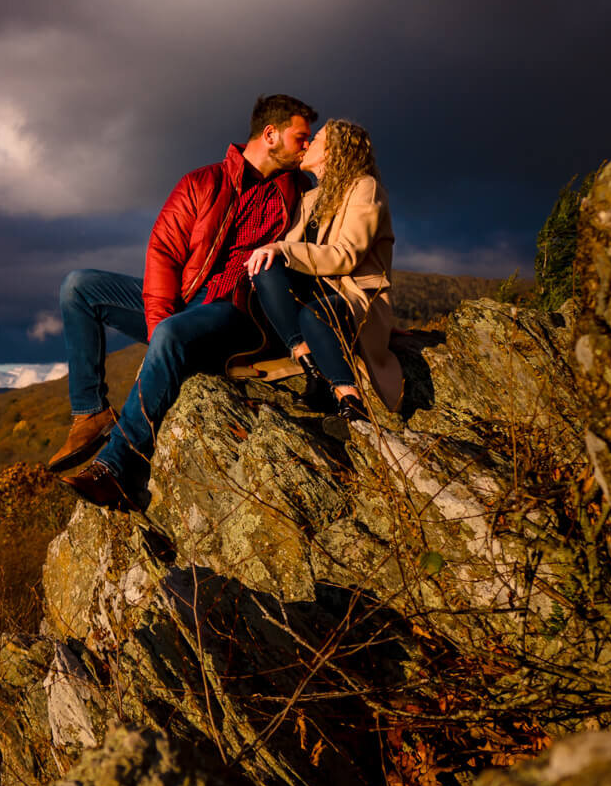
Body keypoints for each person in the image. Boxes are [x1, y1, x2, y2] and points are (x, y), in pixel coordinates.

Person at [53, 95, 315, 507]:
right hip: (187, 304)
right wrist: (161, 330)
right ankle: (90, 412)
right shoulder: (201, 182)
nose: (307, 145)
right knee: (78, 286)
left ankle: (116, 468)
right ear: (270, 134)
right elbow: (163, 255)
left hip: (242, 314)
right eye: (301, 137)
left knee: (174, 331)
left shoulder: (299, 190)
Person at [244, 119, 401, 422]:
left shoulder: (364, 188)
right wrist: (272, 253)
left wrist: (282, 248)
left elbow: (346, 256)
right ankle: (311, 368)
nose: (307, 145)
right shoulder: (310, 198)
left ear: (334, 150)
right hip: (316, 289)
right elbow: (288, 254)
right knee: (264, 264)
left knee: (313, 314)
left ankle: (350, 401)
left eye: (315, 139)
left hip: (352, 295)